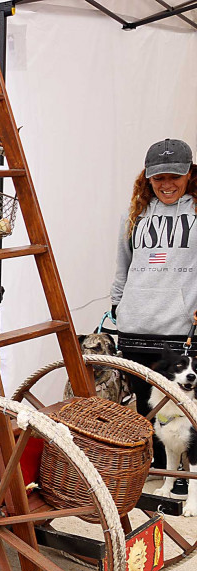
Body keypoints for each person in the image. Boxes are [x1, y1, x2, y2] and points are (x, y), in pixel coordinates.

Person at [111, 138, 197, 470]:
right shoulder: (134, 213)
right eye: (159, 177)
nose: (167, 184)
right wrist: (118, 307)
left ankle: (186, 478)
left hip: (181, 329)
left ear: (189, 173)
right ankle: (158, 472)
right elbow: (123, 266)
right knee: (147, 407)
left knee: (187, 410)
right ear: (147, 177)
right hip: (136, 327)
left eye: (175, 176)